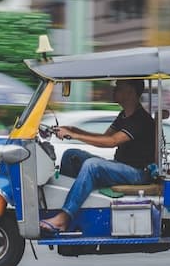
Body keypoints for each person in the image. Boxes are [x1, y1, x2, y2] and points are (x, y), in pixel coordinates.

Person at [40, 79, 157, 233]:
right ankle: (65, 209)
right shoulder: (124, 115)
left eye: (119, 87)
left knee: (92, 165)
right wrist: (72, 130)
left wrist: (74, 135)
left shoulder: (140, 119)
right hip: (121, 167)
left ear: (131, 92)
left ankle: (64, 218)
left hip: (137, 173)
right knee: (71, 155)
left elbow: (111, 141)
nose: (114, 90)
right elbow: (104, 136)